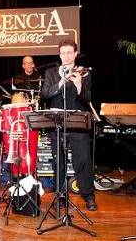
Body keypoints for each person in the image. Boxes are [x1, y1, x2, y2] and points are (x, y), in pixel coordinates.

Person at [40, 39, 96, 211]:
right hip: (56, 122)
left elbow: (87, 99)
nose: (66, 56)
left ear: (75, 54)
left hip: (77, 122)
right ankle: (60, 195)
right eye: (63, 53)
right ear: (59, 54)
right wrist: (62, 81)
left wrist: (79, 85)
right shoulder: (51, 73)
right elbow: (45, 95)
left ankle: (88, 195)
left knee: (83, 160)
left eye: (69, 52)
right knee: (59, 161)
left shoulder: (84, 72)